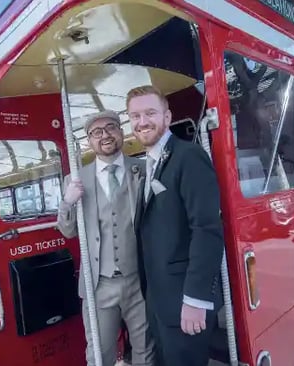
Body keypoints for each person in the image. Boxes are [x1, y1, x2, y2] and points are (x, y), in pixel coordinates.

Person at [126, 85, 224, 366]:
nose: (142, 122)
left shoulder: (187, 156)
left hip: (185, 301)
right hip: (160, 301)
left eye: (149, 113)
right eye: (135, 116)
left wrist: (195, 299)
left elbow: (206, 229)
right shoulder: (150, 165)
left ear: (167, 118)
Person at [57, 110, 154, 366]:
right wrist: (67, 203)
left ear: (121, 132)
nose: (105, 135)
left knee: (147, 348)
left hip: (139, 280)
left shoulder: (143, 169)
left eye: (111, 127)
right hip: (99, 284)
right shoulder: (76, 179)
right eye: (96, 132)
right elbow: (67, 231)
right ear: (89, 141)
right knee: (99, 354)